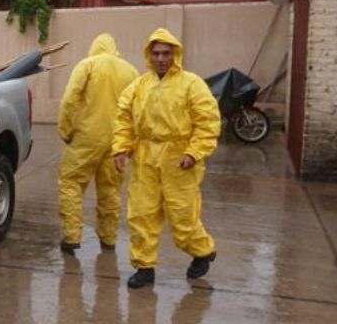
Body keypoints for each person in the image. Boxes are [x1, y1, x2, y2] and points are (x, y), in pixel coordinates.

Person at [112, 28, 221, 289]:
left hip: (179, 159)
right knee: (141, 214)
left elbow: (207, 122)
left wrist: (193, 152)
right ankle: (144, 267)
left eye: (166, 53)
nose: (161, 58)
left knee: (182, 218)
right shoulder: (139, 86)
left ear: (175, 54)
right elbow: (123, 118)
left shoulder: (191, 84)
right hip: (145, 157)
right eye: (156, 53)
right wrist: (120, 148)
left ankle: (202, 250)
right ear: (149, 55)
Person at [58, 33, 138, 252]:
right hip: (117, 141)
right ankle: (109, 237)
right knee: (111, 189)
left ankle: (72, 236)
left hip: (86, 137)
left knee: (71, 182)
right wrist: (131, 142)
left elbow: (69, 98)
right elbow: (139, 109)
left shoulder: (87, 65)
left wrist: (66, 129)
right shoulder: (130, 71)